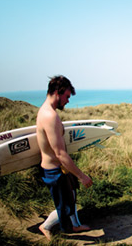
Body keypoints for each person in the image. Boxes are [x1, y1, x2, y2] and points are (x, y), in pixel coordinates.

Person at [36, 75, 93, 240]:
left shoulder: (49, 112)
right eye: (67, 96)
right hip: (54, 170)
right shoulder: (49, 116)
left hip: (59, 168)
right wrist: (82, 176)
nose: (68, 101)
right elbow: (60, 153)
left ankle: (75, 225)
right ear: (56, 92)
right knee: (64, 206)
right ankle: (45, 226)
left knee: (71, 196)